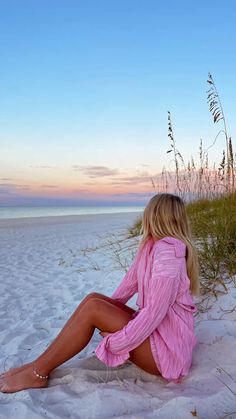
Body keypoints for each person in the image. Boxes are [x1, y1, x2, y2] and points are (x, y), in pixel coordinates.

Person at [0, 193, 200, 393]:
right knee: (93, 300)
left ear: (152, 216)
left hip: (167, 353)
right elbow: (129, 285)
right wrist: (105, 318)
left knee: (94, 308)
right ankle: (38, 364)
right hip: (157, 335)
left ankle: (37, 373)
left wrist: (118, 341)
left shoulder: (168, 254)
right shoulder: (151, 245)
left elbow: (155, 312)